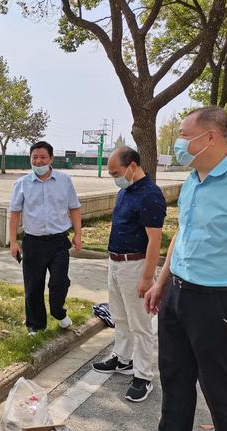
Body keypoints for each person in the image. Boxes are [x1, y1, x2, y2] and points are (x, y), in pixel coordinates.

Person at [145, 106, 227, 431]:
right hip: (177, 295)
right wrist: (161, 283)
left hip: (216, 302)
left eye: (184, 136)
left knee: (217, 388)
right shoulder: (193, 181)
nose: (179, 143)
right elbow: (182, 234)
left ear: (210, 137)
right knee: (174, 378)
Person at [91, 146, 166, 403]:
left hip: (136, 266)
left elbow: (155, 240)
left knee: (140, 324)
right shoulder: (125, 191)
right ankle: (122, 359)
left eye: (116, 173)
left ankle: (143, 375)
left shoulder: (150, 195)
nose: (114, 178)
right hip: (115, 263)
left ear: (132, 166)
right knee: (120, 316)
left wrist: (147, 278)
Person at [9, 141, 82, 335]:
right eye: (34, 157)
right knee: (33, 286)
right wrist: (13, 242)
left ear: (51, 159)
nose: (38, 161)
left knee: (59, 282)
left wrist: (78, 234)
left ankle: (58, 311)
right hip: (33, 242)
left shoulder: (64, 181)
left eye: (42, 157)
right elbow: (14, 214)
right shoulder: (22, 183)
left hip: (59, 242)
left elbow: (74, 208)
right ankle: (35, 325)